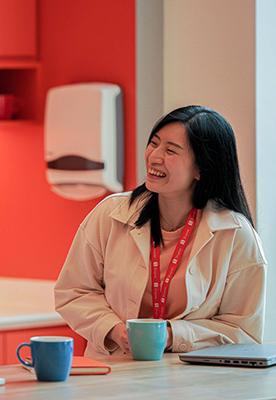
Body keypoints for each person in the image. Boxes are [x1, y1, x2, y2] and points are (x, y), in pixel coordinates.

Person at [54, 105, 267, 357]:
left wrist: (171, 336)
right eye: (154, 143)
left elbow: (243, 332)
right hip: (114, 375)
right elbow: (73, 292)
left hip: (195, 384)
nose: (154, 156)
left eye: (170, 151)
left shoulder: (235, 234)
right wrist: (113, 329)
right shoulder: (110, 214)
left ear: (202, 169)